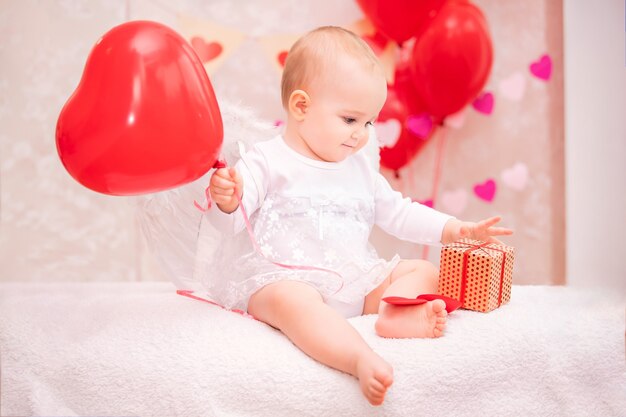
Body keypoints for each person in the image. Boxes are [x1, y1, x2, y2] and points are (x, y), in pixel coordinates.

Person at [206, 26, 513, 406]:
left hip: (354, 278)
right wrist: (228, 201)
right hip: (286, 277)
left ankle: (394, 314)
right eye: (351, 120)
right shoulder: (268, 161)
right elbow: (232, 223)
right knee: (292, 302)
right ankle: (356, 356)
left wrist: (454, 229)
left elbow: (398, 212)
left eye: (369, 122)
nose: (362, 135)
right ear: (301, 107)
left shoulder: (359, 168)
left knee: (422, 271)